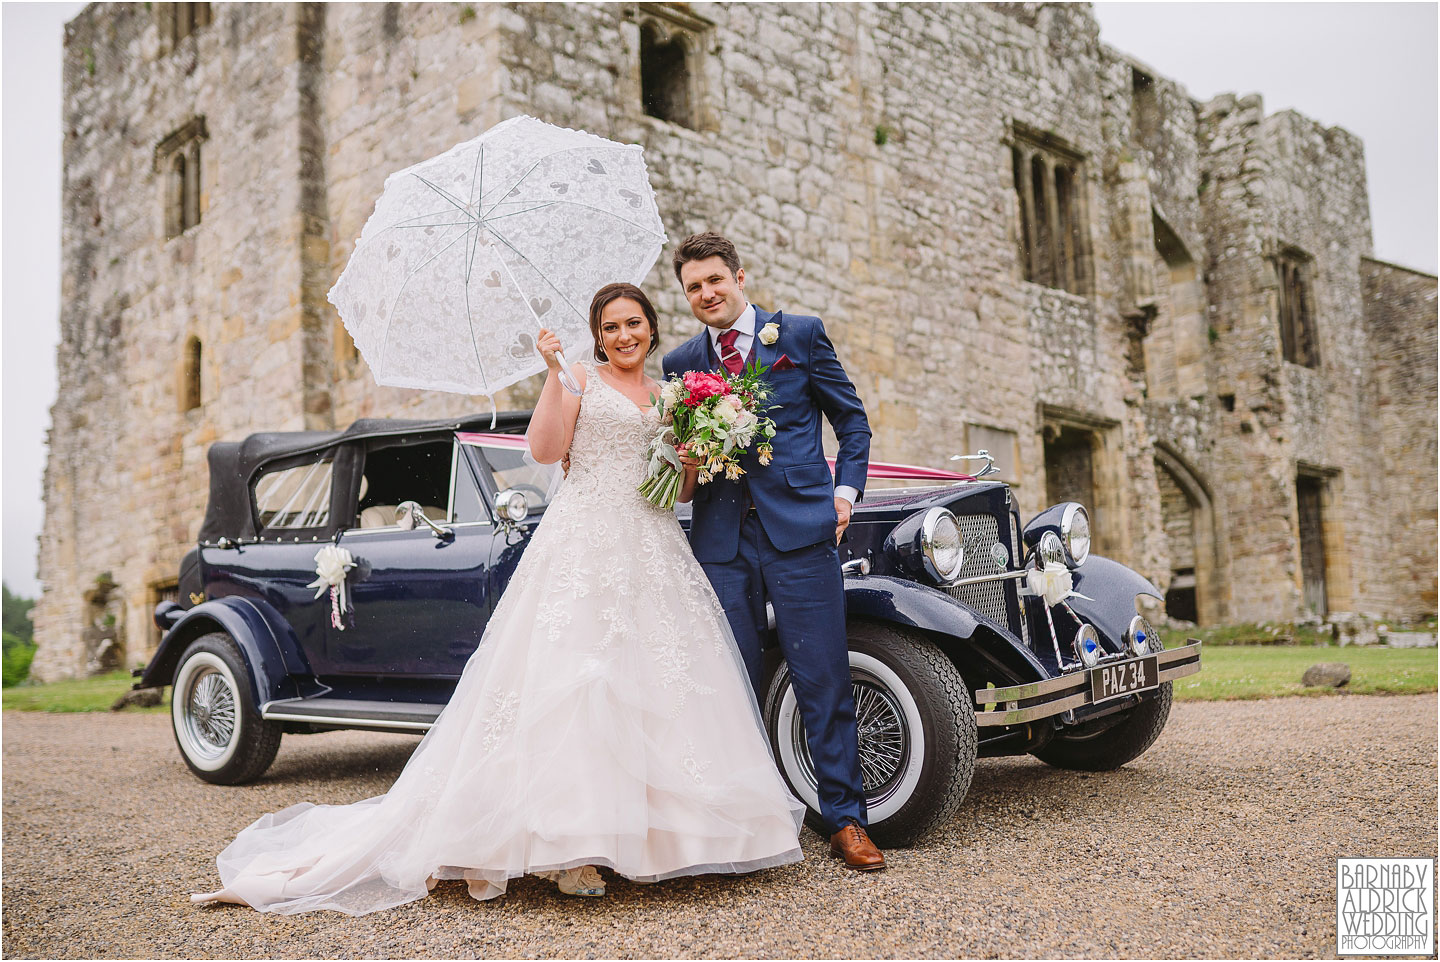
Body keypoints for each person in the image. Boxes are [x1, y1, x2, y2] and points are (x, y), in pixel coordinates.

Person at [190, 282, 804, 915]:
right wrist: (551, 374)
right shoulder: (576, 379)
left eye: (634, 324)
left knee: (664, 684)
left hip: (651, 540)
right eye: (612, 327)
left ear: (651, 328)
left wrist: (694, 451)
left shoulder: (670, 395)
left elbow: (680, 490)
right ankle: (572, 848)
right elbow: (543, 451)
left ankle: (672, 836)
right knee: (578, 685)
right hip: (585, 541)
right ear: (598, 336)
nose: (624, 336)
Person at [662, 232, 884, 871]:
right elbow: (685, 456)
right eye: (694, 288)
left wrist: (845, 492)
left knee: (823, 678)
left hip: (802, 534)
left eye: (715, 281)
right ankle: (753, 824)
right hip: (721, 542)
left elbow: (852, 420)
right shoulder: (681, 364)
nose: (706, 294)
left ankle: (846, 822)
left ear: (739, 276)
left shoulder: (799, 335)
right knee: (731, 683)